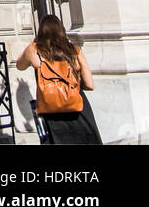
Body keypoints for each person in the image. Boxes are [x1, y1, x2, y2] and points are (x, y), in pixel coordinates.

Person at [17, 13, 102, 145]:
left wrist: (34, 42)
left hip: (50, 108)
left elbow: (19, 65)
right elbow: (90, 84)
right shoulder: (75, 50)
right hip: (76, 107)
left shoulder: (34, 50)